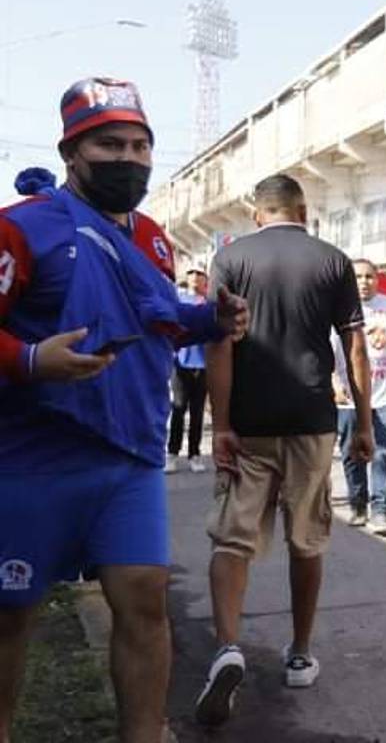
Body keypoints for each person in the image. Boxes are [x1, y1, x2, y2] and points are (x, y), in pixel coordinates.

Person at [0, 78, 248, 743]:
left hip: (130, 457)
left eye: (141, 145)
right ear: (71, 152)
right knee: (11, 617)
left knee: (144, 599)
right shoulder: (21, 228)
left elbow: (155, 321)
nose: (129, 158)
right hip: (31, 457)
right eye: (110, 144)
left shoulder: (155, 239)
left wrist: (210, 319)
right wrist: (27, 360)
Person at [195, 174, 374, 727]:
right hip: (311, 421)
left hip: (248, 421)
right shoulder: (333, 259)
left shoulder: (232, 260)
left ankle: (228, 646)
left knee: (233, 537)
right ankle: (299, 653)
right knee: (307, 538)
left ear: (257, 214)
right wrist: (362, 422)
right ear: (304, 209)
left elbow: (218, 342)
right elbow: (356, 345)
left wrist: (220, 423)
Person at [332, 258, 386, 535]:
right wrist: (334, 381)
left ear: (377, 279)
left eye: (369, 276)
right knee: (351, 452)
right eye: (357, 277)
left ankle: (380, 511)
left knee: (384, 454)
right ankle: (358, 504)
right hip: (350, 396)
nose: (364, 282)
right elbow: (325, 351)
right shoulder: (338, 309)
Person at [168, 266, 211, 474]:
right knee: (178, 408)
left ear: (206, 281)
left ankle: (194, 454)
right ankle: (172, 453)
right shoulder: (179, 299)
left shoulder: (209, 303)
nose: (194, 278)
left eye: (199, 275)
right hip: (181, 364)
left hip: (202, 366)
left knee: (197, 412)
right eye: (191, 274)